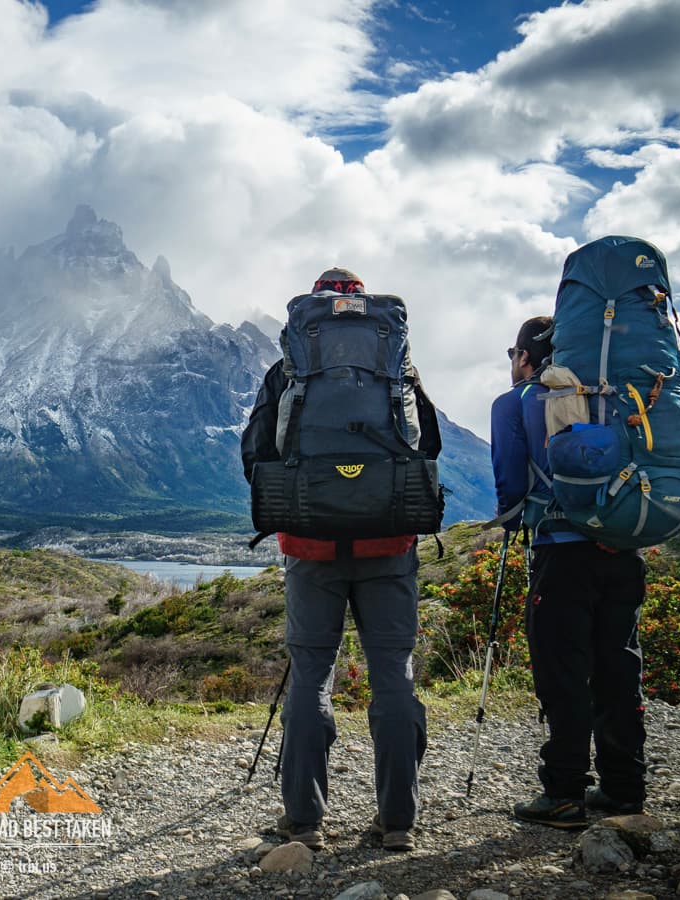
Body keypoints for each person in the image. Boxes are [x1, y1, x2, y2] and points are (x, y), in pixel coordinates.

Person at [241, 267, 432, 853]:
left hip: (311, 549)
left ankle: (304, 822)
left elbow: (255, 453)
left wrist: (307, 501)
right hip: (389, 546)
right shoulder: (397, 372)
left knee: (310, 678)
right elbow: (431, 449)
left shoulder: (287, 373)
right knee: (393, 676)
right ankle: (397, 821)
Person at [490, 316, 647, 829]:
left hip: (561, 553)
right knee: (618, 668)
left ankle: (563, 794)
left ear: (526, 357)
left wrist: (520, 517)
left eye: (513, 354)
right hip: (623, 550)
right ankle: (625, 788)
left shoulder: (515, 403)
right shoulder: (617, 396)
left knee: (564, 677)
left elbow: (511, 489)